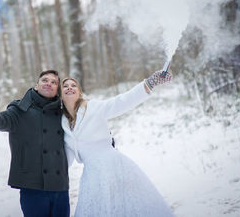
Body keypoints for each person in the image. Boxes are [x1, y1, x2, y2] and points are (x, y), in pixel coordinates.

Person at [60, 71, 174, 217]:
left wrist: (150, 83)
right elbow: (64, 161)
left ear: (80, 93)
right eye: (65, 86)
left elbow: (122, 102)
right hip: (92, 177)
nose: (69, 87)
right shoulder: (63, 125)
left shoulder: (93, 108)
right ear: (61, 95)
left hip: (114, 166)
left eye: (73, 85)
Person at [0, 70, 69, 217]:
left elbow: (81, 133)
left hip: (60, 187)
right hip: (32, 186)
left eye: (54, 82)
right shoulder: (20, 110)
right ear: (36, 85)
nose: (49, 84)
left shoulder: (64, 112)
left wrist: (104, 141)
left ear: (57, 89)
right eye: (45, 80)